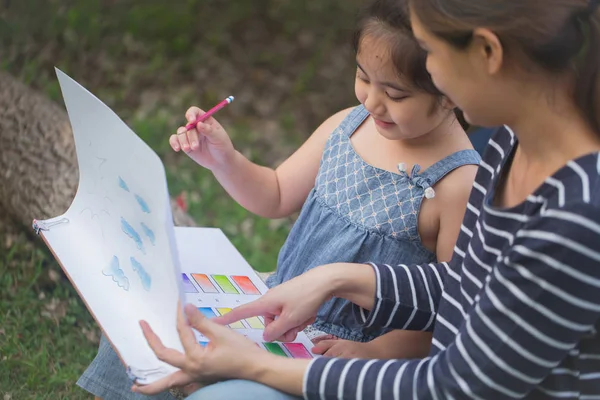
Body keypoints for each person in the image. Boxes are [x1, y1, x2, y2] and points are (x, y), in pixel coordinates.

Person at [132, 0, 600, 399]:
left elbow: (455, 384)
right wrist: (339, 278)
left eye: (431, 52)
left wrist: (255, 366)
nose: (431, 70)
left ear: (486, 52)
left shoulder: (576, 217)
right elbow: (466, 288)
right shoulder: (510, 145)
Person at [77, 0, 481, 398]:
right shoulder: (349, 125)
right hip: (272, 302)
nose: (371, 101)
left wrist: (374, 352)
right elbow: (275, 193)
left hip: (337, 353)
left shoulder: (458, 183)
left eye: (395, 94)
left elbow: (452, 314)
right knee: (150, 313)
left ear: (448, 89)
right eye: (363, 78)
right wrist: (225, 160)